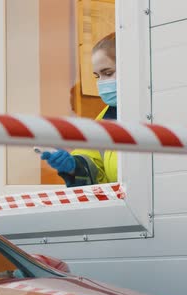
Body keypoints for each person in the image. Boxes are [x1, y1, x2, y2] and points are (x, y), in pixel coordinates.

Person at [42, 32, 118, 186]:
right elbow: (95, 167)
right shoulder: (105, 118)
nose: (101, 83)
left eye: (108, 73)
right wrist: (74, 166)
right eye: (97, 76)